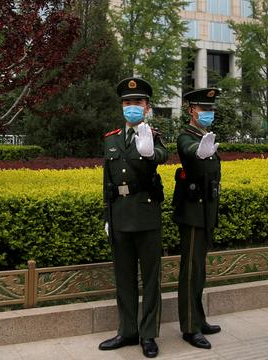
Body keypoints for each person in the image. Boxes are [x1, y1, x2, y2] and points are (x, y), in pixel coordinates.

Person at [98, 77, 168, 358]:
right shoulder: (111, 138)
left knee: (150, 278)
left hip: (146, 215)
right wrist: (107, 215)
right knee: (124, 278)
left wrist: (150, 153)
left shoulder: (153, 134)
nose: (132, 107)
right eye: (127, 102)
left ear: (147, 107)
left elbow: (163, 155)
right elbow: (106, 181)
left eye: (137, 102)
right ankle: (127, 332)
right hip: (120, 216)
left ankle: (148, 335)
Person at [172, 87, 222, 350]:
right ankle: (189, 328)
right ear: (191, 110)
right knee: (190, 271)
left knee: (199, 270)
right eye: (204, 109)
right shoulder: (187, 137)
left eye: (211, 109)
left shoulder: (207, 136)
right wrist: (199, 151)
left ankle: (199, 319)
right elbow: (190, 150)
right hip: (192, 214)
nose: (208, 113)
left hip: (205, 214)